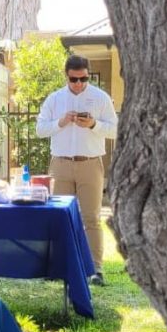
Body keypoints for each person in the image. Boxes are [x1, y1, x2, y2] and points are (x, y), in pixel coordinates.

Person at [36, 53, 118, 286]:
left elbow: (114, 130)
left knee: (91, 217)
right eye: (74, 79)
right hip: (61, 163)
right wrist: (60, 122)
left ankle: (96, 269)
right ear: (67, 77)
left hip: (90, 163)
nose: (79, 84)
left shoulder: (100, 98)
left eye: (84, 78)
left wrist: (93, 124)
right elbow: (40, 129)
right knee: (60, 216)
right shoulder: (54, 99)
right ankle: (59, 266)